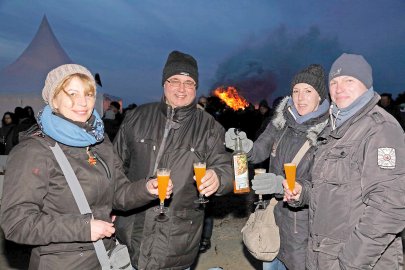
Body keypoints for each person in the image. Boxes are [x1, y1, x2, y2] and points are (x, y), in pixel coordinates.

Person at [0, 64, 173, 269]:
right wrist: (83, 228)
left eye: (89, 94)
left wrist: (146, 189)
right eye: (72, 93)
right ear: (53, 99)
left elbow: (118, 194)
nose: (82, 102)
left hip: (103, 257)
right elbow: (16, 223)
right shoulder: (34, 150)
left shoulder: (99, 141)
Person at [113, 50, 233, 269]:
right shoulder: (137, 117)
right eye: (175, 80)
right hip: (130, 232)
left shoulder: (210, 127)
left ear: (195, 88)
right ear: (164, 83)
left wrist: (219, 177)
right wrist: (109, 208)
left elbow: (226, 166)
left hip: (177, 241)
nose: (181, 88)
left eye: (189, 82)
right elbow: (114, 168)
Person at [284, 53, 405, 269]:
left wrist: (348, 264)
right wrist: (302, 194)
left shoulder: (380, 129)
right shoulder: (334, 129)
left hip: (358, 262)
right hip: (324, 256)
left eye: (349, 80)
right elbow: (337, 194)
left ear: (366, 85)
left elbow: (388, 209)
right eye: (334, 82)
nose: (339, 88)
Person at [225, 64, 330, 270]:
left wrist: (282, 185)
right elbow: (259, 152)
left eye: (308, 91)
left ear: (320, 97)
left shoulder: (329, 133)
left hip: (305, 230)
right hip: (272, 222)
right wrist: (245, 147)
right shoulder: (280, 122)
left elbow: (325, 187)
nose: (300, 97)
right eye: (296, 91)